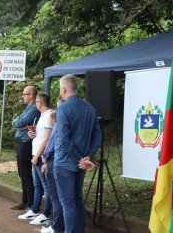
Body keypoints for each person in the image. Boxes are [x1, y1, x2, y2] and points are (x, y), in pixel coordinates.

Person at [55, 74, 102, 233]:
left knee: (68, 203)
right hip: (81, 162)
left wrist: (80, 159)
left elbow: (63, 140)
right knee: (77, 200)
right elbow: (98, 136)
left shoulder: (63, 109)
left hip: (65, 162)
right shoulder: (90, 108)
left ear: (63, 89)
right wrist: (87, 156)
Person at [19, 93, 53, 225]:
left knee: (46, 186)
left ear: (39, 102)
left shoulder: (49, 115)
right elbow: (41, 136)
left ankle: (45, 213)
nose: (35, 104)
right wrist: (32, 133)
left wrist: (37, 156)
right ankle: (35, 210)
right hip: (36, 154)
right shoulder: (42, 116)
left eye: (37, 102)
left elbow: (47, 138)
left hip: (41, 156)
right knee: (37, 184)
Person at [11, 86, 41, 211]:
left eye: (24, 94)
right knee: (22, 173)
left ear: (32, 95)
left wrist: (18, 123)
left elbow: (18, 122)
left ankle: (30, 203)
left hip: (25, 143)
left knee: (26, 173)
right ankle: (25, 200)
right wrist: (18, 123)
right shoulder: (29, 108)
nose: (22, 96)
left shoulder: (34, 109)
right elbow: (19, 123)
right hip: (21, 142)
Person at [41, 97, 65, 233]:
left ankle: (56, 226)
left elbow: (52, 143)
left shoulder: (59, 122)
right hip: (64, 161)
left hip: (54, 161)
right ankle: (58, 224)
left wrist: (45, 157)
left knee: (56, 198)